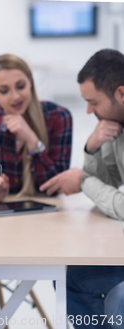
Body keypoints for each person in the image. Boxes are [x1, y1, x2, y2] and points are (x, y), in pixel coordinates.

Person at [39, 49, 124, 328]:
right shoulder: (117, 125)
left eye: (93, 102)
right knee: (64, 273)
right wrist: (92, 147)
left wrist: (84, 181)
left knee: (70, 280)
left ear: (121, 94)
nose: (88, 110)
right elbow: (110, 181)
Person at [0, 54, 72, 203]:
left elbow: (56, 186)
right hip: (1, 211)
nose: (15, 96)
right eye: (4, 90)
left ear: (30, 81)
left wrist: (33, 142)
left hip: (46, 213)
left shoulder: (59, 117)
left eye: (20, 86)